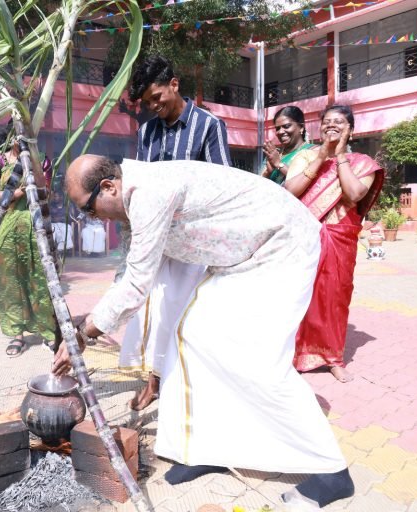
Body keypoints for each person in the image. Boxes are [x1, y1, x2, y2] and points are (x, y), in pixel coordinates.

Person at [53, 155, 354, 509]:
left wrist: (83, 335)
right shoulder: (134, 196)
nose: (93, 218)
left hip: (282, 245)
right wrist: (85, 329)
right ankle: (211, 449)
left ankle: (332, 471)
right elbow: (129, 272)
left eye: (88, 209)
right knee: (194, 335)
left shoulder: (149, 194)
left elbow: (136, 284)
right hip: (244, 258)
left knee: (258, 359)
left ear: (108, 187)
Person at [123, 54, 232, 410]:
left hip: (194, 242)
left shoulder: (209, 126)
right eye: (147, 103)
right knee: (151, 310)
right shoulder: (146, 132)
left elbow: (222, 186)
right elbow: (140, 186)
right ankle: (153, 380)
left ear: (174, 84)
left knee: (185, 313)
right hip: (156, 240)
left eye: (157, 97)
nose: (154, 107)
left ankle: (188, 385)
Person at [284, 105, 384, 383]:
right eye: (326, 121)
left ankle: (333, 358)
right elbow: (290, 191)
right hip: (305, 237)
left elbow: (354, 193)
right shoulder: (306, 156)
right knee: (299, 295)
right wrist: (321, 157)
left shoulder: (362, 163)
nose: (331, 125)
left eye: (339, 122)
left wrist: (339, 156)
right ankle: (293, 355)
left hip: (340, 240)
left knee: (334, 300)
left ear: (351, 130)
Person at [0, 138, 58, 357]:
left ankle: (48, 332)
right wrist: (17, 193)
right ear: (11, 136)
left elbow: (47, 193)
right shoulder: (0, 160)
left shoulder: (42, 160)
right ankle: (17, 334)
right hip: (6, 228)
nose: (20, 138)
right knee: (10, 281)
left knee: (40, 279)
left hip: (35, 228)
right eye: (17, 134)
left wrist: (35, 183)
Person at [261, 105, 316, 185]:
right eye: (277, 128)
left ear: (301, 127)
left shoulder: (313, 152)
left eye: (286, 126)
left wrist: (279, 164)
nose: (280, 132)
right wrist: (267, 172)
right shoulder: (274, 155)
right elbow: (257, 185)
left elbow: (306, 181)